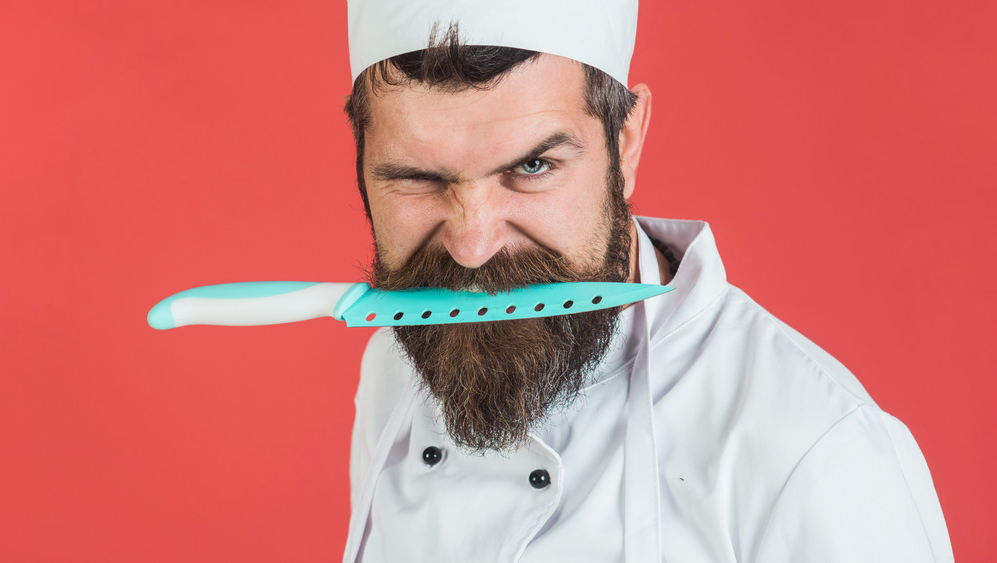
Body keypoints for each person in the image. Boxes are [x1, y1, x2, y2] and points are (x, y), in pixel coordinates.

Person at [341, 1, 953, 561]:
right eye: (417, 178)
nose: (472, 248)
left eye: (533, 166)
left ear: (625, 144)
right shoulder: (394, 367)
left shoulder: (818, 457)